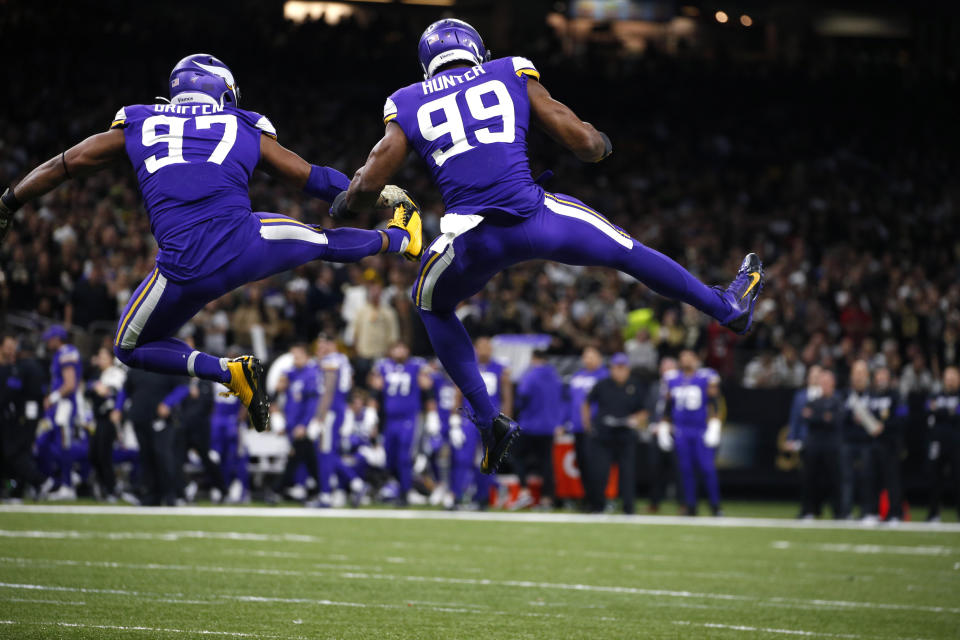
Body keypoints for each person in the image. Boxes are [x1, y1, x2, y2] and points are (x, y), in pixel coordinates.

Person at [334, 18, 764, 474]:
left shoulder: (406, 101)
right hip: (538, 218)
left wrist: (345, 205)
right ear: (476, 48)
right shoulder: (509, 70)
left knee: (428, 303)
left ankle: (487, 418)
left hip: (473, 238)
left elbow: (369, 180)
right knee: (627, 251)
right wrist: (600, 146)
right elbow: (578, 138)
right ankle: (726, 307)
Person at [0, 53, 423, 434]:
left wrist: (9, 201)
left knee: (128, 347)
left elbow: (63, 165)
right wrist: (372, 193)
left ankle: (225, 372)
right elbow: (310, 177)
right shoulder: (242, 124)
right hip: (244, 246)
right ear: (222, 90)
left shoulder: (139, 122)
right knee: (323, 241)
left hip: (181, 271)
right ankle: (401, 238)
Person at [450, 337, 510, 508]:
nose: (484, 349)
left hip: (491, 420)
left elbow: (507, 398)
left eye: (487, 346)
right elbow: (458, 391)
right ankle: (457, 496)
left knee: (488, 461)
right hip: (470, 419)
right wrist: (454, 419)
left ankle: (482, 498)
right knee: (463, 459)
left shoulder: (501, 369)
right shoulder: (467, 366)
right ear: (475, 348)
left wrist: (505, 422)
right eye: (481, 346)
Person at [584, 353, 647, 514]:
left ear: (627, 369)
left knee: (627, 473)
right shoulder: (602, 384)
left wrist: (636, 420)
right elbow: (587, 403)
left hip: (626, 435)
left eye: (622, 368)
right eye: (616, 368)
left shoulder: (636, 385)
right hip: (604, 435)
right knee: (600, 472)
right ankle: (598, 506)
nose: (619, 371)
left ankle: (628, 508)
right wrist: (588, 425)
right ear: (611, 369)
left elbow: (644, 411)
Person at [369, 342, 431, 505]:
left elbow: (428, 386)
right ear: (390, 351)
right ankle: (398, 488)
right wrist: (371, 411)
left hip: (409, 419)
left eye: (402, 348)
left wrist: (431, 414)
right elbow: (375, 388)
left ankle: (405, 493)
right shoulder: (383, 366)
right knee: (389, 457)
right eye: (396, 348)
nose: (399, 352)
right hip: (390, 419)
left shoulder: (416, 365)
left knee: (404, 456)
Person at [663, 350, 723, 516]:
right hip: (681, 429)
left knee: (707, 468)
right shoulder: (672, 379)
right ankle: (690, 505)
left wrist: (715, 423)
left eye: (690, 357)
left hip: (700, 428)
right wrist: (664, 425)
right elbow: (668, 405)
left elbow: (714, 401)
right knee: (685, 470)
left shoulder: (706, 376)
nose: (686, 360)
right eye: (683, 357)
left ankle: (715, 505)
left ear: (697, 359)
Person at [39, 325, 90, 499]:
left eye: (50, 338)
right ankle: (59, 480)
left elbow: (70, 384)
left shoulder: (67, 351)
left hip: (65, 407)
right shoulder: (61, 353)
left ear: (57, 338)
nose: (48, 342)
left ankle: (68, 485)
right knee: (47, 444)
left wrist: (52, 398)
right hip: (59, 407)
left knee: (63, 445)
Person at [121, 368, 184, 506]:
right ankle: (151, 495)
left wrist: (168, 403)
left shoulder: (168, 363)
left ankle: (170, 494)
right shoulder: (137, 366)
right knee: (146, 456)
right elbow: (125, 389)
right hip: (140, 418)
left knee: (162, 454)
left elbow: (183, 387)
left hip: (162, 420)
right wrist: (117, 408)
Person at [314, 335, 364, 507]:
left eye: (322, 344)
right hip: (338, 408)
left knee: (326, 453)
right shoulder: (343, 359)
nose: (319, 348)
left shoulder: (332, 360)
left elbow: (328, 390)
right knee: (328, 452)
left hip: (331, 411)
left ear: (331, 344)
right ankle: (354, 484)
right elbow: (349, 382)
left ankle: (328, 494)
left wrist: (319, 417)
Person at [0, 333, 49, 500]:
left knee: (13, 453)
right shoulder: (34, 366)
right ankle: (16, 489)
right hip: (24, 416)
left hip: (16, 418)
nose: (13, 350)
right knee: (18, 453)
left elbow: (10, 393)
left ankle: (37, 482)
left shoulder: (20, 368)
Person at [513, 351, 564, 509]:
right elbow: (563, 400)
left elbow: (522, 396)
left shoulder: (530, 375)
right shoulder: (556, 377)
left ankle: (524, 492)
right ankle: (547, 499)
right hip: (549, 427)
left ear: (534, 359)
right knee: (546, 463)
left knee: (517, 456)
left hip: (530, 425)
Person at [272, 344, 322, 503]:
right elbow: (280, 390)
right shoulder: (292, 374)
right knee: (308, 460)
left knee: (296, 458)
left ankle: (278, 489)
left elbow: (312, 403)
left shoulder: (311, 374)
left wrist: (304, 424)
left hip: (302, 425)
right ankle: (321, 489)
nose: (295, 360)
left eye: (298, 356)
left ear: (307, 357)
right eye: (293, 356)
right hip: (292, 424)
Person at [563, 346, 609, 507]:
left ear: (600, 359)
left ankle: (598, 499)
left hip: (595, 427)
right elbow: (569, 402)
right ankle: (587, 497)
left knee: (595, 465)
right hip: (577, 427)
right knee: (582, 464)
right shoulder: (577, 377)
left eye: (591, 356)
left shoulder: (604, 377)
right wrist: (565, 421)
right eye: (585, 356)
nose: (587, 359)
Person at [799, 370, 845, 519]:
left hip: (832, 446)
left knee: (834, 480)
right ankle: (809, 510)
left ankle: (838, 512)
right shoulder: (813, 401)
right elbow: (806, 417)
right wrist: (823, 417)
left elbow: (836, 419)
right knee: (810, 479)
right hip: (814, 445)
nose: (824, 385)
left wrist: (817, 417)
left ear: (833, 383)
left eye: (827, 382)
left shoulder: (838, 400)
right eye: (822, 382)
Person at [865, 367, 907, 522]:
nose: (881, 378)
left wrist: (885, 426)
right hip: (873, 442)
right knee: (872, 479)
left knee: (892, 480)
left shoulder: (896, 396)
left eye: (884, 375)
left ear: (890, 378)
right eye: (878, 375)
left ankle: (895, 513)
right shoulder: (871, 395)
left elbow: (903, 418)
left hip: (890, 443)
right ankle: (872, 512)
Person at [841, 360, 878, 520]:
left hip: (866, 442)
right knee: (846, 477)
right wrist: (850, 416)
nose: (858, 377)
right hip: (848, 441)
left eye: (862, 373)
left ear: (867, 376)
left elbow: (878, 418)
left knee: (867, 477)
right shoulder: (846, 394)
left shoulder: (873, 395)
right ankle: (845, 511)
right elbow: (839, 416)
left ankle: (867, 511)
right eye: (856, 373)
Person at [925, 366, 960, 522]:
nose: (951, 380)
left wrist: (940, 411)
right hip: (937, 443)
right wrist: (948, 412)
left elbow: (954, 415)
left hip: (956, 443)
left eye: (954, 377)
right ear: (944, 379)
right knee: (934, 479)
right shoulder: (935, 394)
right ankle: (933, 514)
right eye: (948, 377)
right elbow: (927, 410)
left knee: (957, 478)